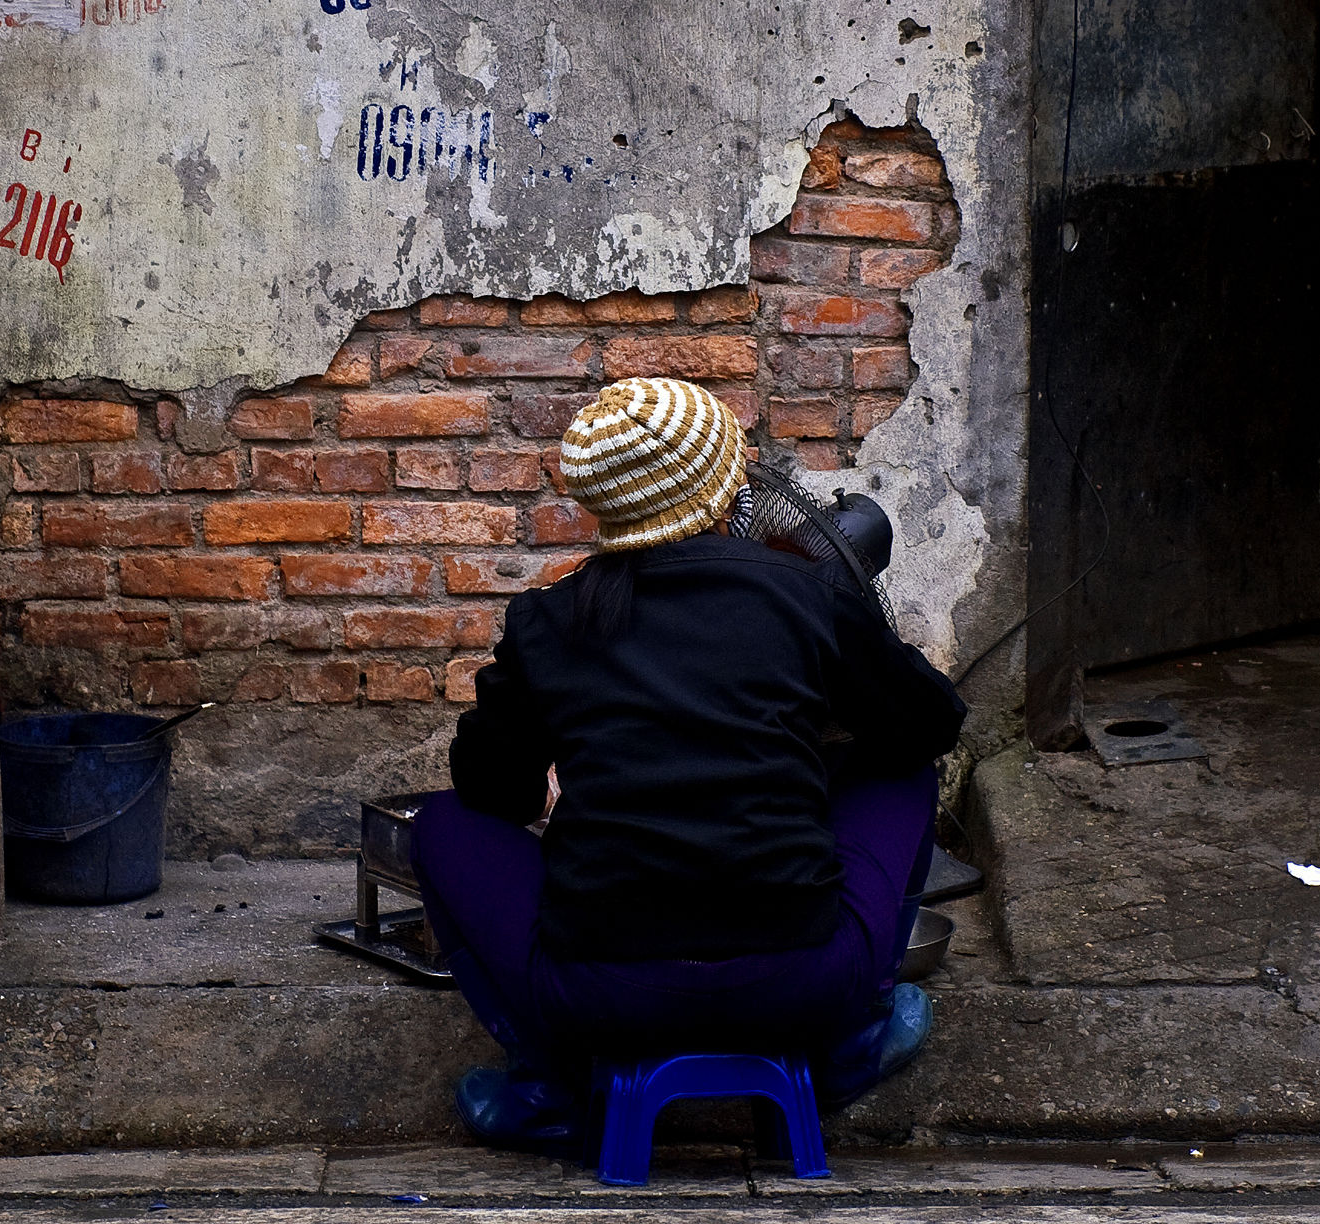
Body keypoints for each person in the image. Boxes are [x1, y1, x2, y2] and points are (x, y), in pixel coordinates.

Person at [412, 376, 967, 1149]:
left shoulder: (548, 620)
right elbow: (929, 724)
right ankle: (847, 1049)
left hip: (601, 993)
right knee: (904, 769)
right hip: (802, 982)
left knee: (439, 822)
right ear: (719, 493)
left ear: (605, 505)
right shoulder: (803, 595)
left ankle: (550, 1086)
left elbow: (489, 791)